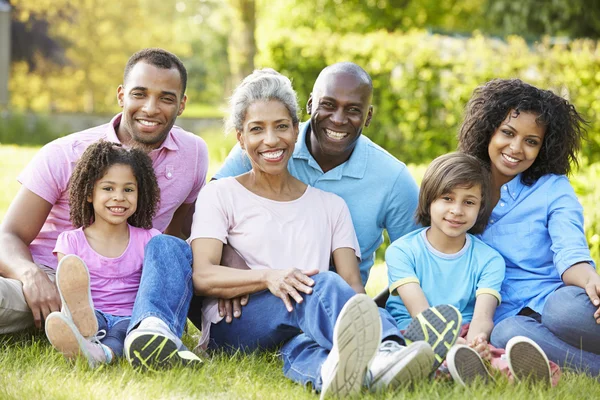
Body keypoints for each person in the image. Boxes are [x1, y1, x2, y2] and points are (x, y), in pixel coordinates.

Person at [189, 68, 438, 397]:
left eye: (281, 127)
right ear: (241, 138)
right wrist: (267, 278)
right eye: (256, 130)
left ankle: (342, 373)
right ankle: (387, 352)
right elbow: (202, 275)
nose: (271, 139)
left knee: (309, 341)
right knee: (319, 283)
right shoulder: (220, 193)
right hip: (237, 321)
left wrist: (370, 309)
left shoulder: (332, 206)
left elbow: (353, 286)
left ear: (295, 129)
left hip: (304, 317)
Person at [0, 48, 208, 367]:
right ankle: (72, 326)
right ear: (122, 96)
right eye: (140, 94)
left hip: (128, 288)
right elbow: (8, 235)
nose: (150, 108)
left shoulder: (192, 154)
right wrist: (30, 276)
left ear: (182, 103)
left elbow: (179, 237)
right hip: (55, 278)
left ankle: (141, 334)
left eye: (166, 98)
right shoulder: (65, 154)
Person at [213, 62, 419, 287]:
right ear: (311, 104)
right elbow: (205, 211)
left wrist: (378, 310)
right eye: (328, 105)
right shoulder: (269, 145)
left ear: (368, 116)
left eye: (352, 110)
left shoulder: (393, 178)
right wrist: (235, 273)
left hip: (341, 303)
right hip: (260, 291)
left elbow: (421, 261)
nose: (338, 119)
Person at [458, 78, 600, 376]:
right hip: (511, 316)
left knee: (562, 309)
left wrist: (591, 281)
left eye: (531, 141)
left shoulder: (553, 189)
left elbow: (570, 251)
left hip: (559, 304)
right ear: (488, 131)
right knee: (506, 333)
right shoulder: (461, 193)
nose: (516, 148)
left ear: (543, 147)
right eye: (507, 133)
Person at [385, 152, 559, 385]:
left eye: (469, 202)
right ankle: (449, 367)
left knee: (489, 353)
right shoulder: (401, 251)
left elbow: (483, 316)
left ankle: (503, 370)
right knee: (411, 353)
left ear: (480, 207)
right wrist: (451, 344)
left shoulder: (489, 259)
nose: (457, 210)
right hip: (415, 331)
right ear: (429, 200)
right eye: (447, 198)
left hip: (465, 333)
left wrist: (476, 342)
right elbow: (420, 312)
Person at [46, 141, 169, 367]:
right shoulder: (71, 241)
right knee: (92, 321)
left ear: (141, 194)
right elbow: (65, 284)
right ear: (89, 193)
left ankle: (100, 353)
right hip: (94, 313)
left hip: (131, 317)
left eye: (128, 189)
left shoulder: (150, 239)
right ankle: (81, 329)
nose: (119, 197)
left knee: (125, 334)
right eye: (108, 188)